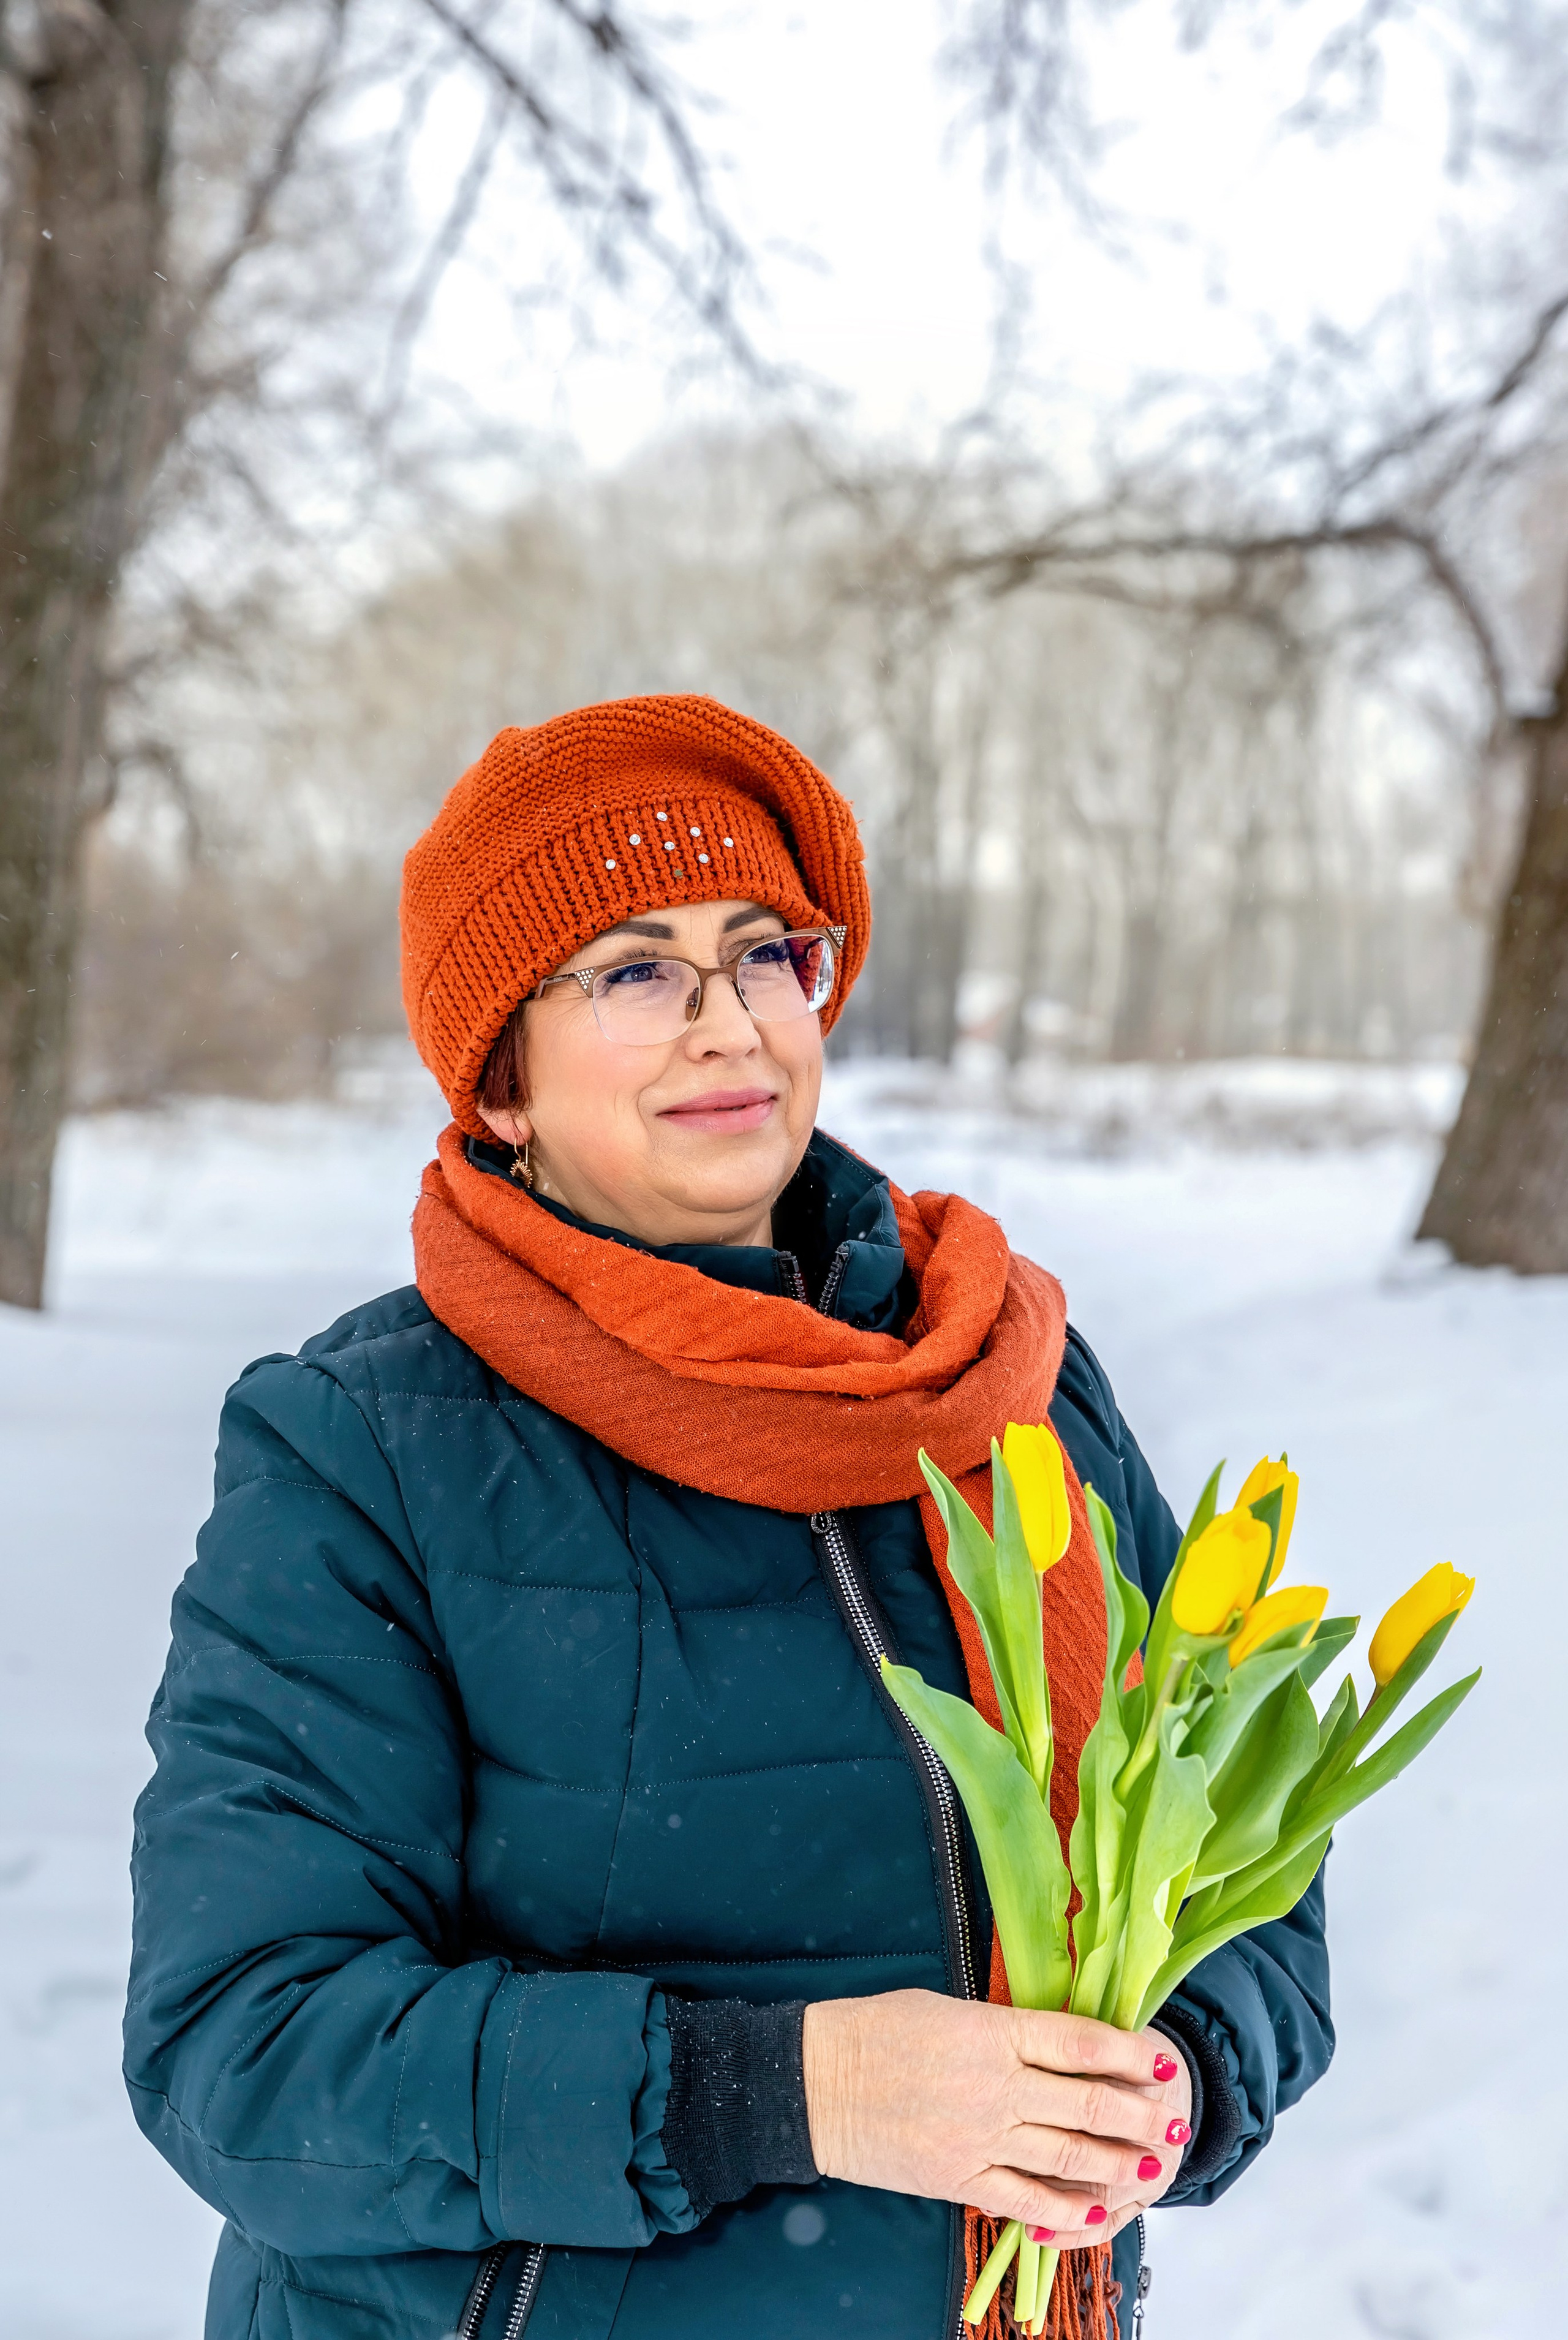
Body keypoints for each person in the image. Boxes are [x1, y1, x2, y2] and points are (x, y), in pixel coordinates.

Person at [125, 696, 1332, 2340]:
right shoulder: (363, 1447)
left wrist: (1170, 2076)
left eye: (764, 954)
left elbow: (1246, 1857)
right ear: (502, 1083)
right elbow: (248, 2051)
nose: (729, 1026)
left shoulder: (1006, 1379)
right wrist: (794, 2090)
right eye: (636, 973)